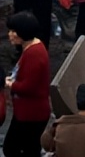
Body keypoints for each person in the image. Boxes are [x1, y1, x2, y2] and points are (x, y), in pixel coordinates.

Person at [5, 12, 51, 157]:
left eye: (13, 31)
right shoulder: (33, 47)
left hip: (31, 114)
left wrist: (9, 84)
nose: (10, 35)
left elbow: (28, 87)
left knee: (14, 148)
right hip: (28, 112)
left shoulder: (34, 54)